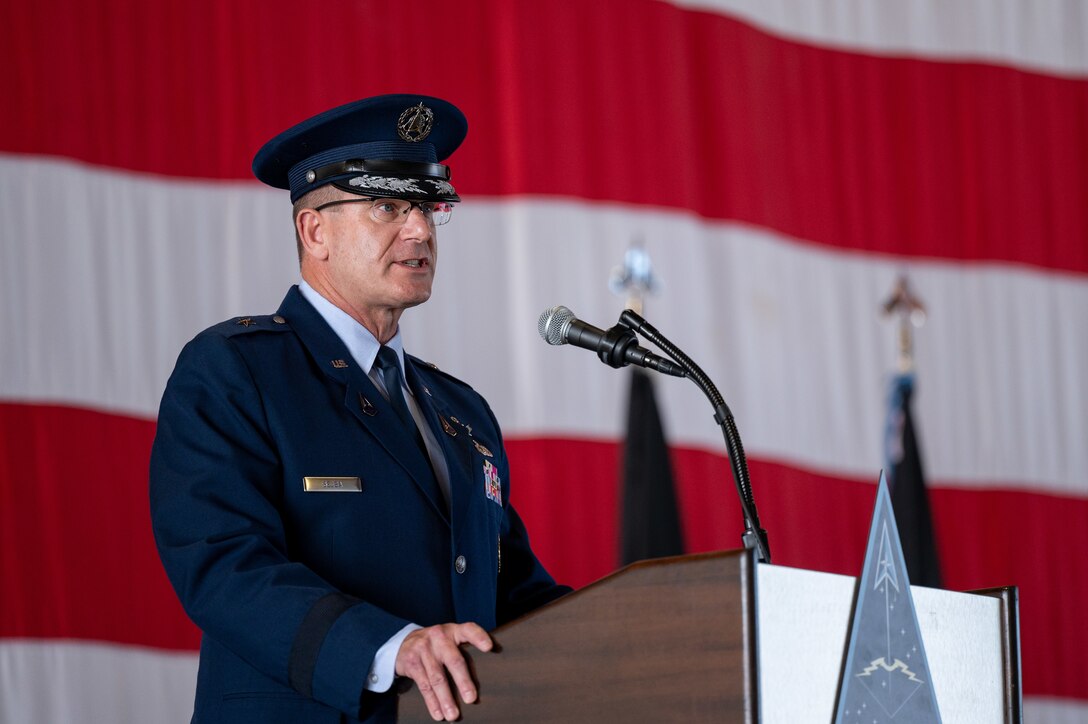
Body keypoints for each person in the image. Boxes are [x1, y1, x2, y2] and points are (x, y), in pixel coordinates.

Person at [149, 94, 570, 723]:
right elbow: (223, 565)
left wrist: (652, 631)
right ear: (314, 230)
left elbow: (516, 599)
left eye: (428, 207)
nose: (421, 229)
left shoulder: (463, 413)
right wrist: (390, 646)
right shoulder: (235, 370)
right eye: (388, 206)